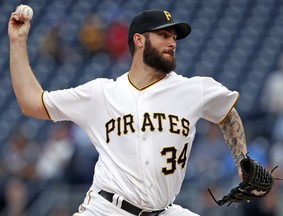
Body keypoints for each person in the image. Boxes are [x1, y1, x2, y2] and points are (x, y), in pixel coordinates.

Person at [8, 8, 248, 216]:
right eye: (164, 35)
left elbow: (227, 112)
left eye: (174, 37)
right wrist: (17, 43)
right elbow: (32, 103)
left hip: (164, 210)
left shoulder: (193, 89)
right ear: (139, 40)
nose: (173, 42)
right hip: (107, 208)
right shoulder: (101, 93)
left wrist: (242, 160)